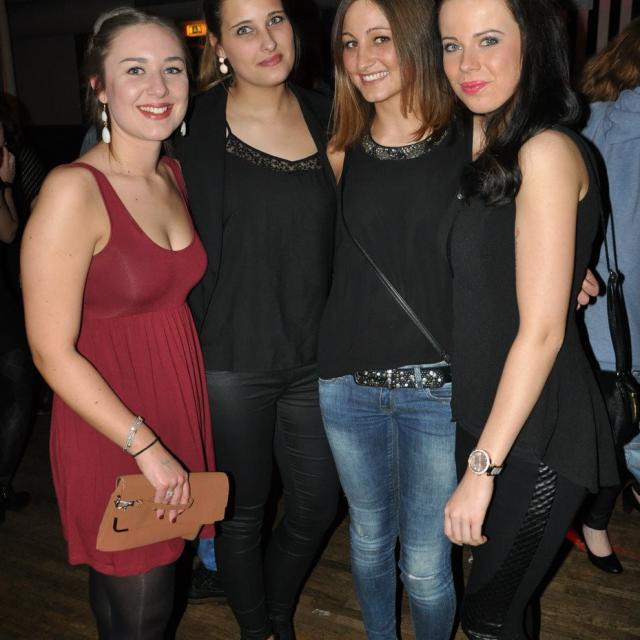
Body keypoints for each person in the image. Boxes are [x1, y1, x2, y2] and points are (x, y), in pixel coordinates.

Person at [20, 8, 215, 639]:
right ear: (99, 87)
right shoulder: (72, 190)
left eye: (172, 69)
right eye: (135, 70)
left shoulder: (171, 174)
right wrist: (146, 447)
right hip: (112, 421)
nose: (158, 87)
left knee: (131, 591)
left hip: (173, 400)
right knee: (144, 602)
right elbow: (50, 352)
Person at [436, 0, 619, 637]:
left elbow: (541, 334)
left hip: (538, 435)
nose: (467, 63)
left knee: (487, 618)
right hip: (488, 415)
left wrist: (480, 471)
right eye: (451, 45)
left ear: (533, 43)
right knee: (503, 606)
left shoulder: (544, 150)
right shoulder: (485, 143)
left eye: (488, 39)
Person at [174, 1, 340, 637]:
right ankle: (259, 629)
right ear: (218, 45)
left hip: (316, 356)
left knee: (316, 504)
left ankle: (271, 611)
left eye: (275, 20)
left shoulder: (331, 114)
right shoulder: (189, 124)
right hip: (229, 360)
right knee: (241, 515)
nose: (267, 40)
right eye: (244, 29)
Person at [318, 1, 468, 637]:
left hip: (437, 391)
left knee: (429, 566)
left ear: (415, 40)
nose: (362, 59)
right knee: (370, 538)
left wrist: (566, 271)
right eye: (350, 43)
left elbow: (510, 237)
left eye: (380, 38)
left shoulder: (471, 138)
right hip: (346, 385)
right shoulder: (339, 151)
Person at [579, 17, 640, 573]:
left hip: (604, 316)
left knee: (614, 424)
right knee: (613, 421)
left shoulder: (589, 118)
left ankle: (594, 520)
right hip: (611, 314)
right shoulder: (590, 123)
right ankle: (591, 521)